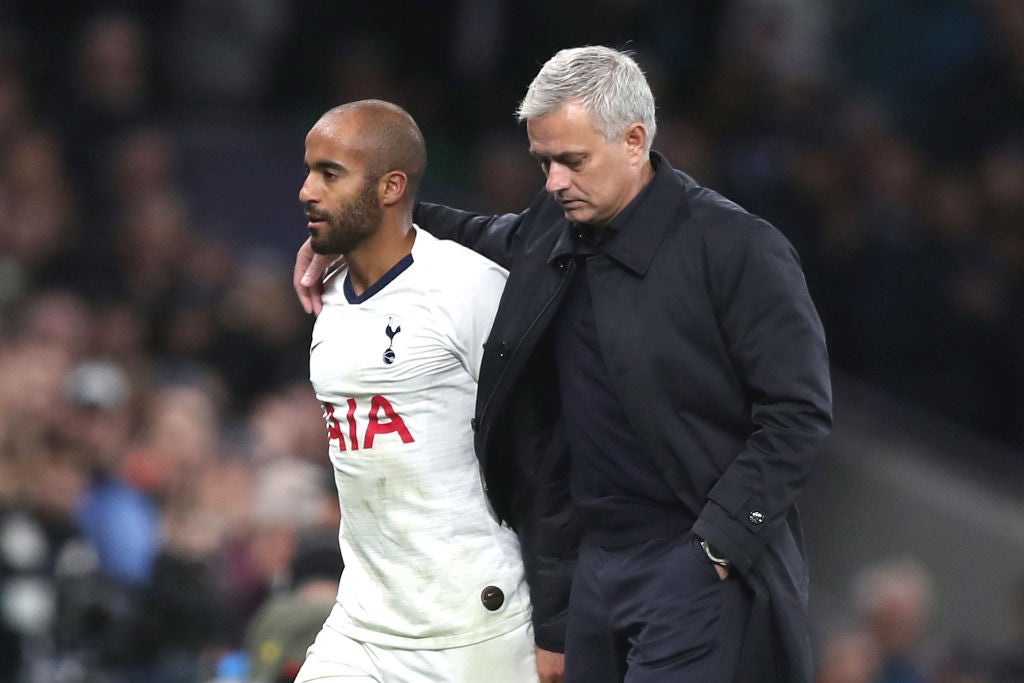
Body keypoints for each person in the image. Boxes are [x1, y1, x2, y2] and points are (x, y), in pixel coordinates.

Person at [295, 48, 833, 683]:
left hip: (689, 557)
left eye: (572, 161)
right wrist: (353, 235)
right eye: (544, 161)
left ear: (635, 141)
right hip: (594, 567)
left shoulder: (737, 247)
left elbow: (798, 416)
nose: (553, 181)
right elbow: (480, 233)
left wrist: (717, 545)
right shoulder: (558, 226)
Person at [293, 100, 543, 682]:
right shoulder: (325, 296)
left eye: (330, 174)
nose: (307, 190)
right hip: (361, 623)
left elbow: (544, 452)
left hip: (474, 629)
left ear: (390, 187)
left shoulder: (470, 288)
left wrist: (559, 617)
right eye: (309, 171)